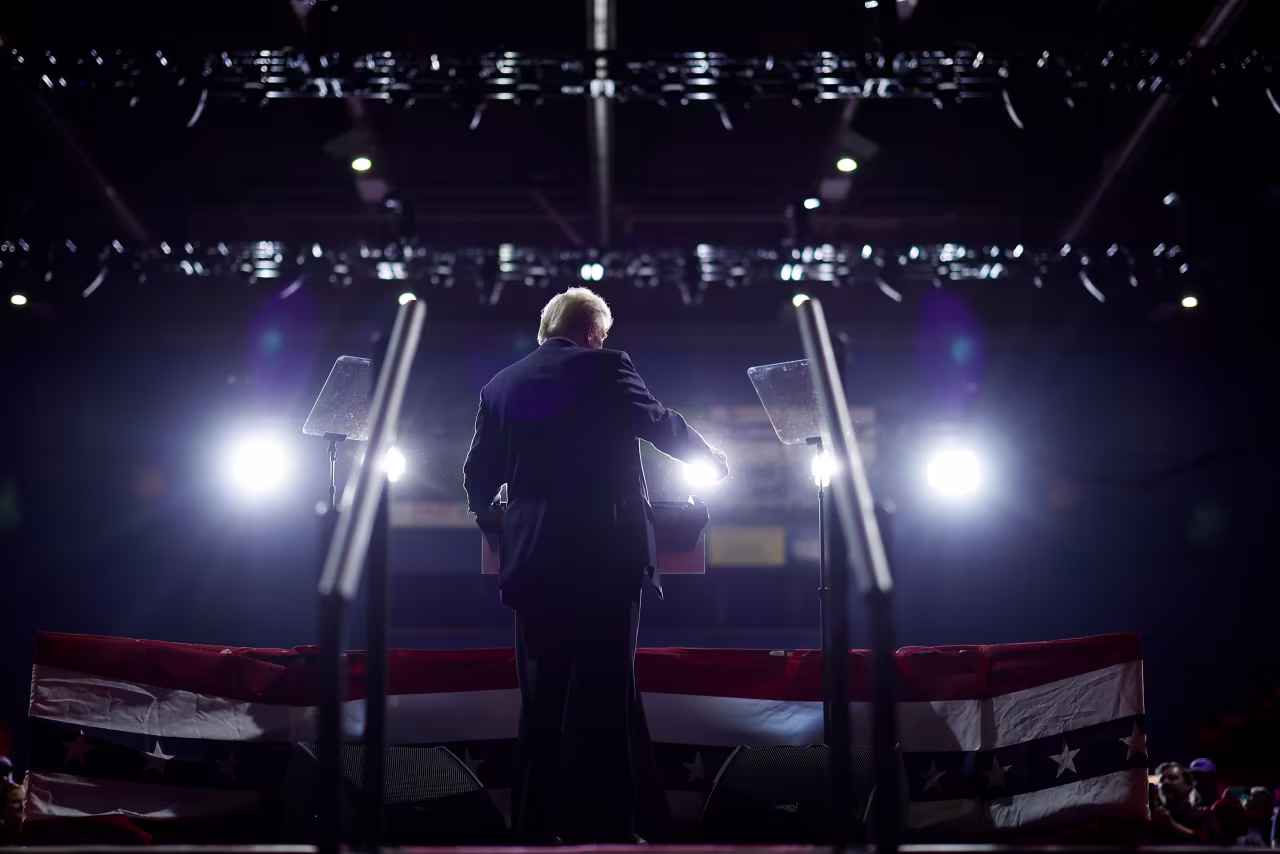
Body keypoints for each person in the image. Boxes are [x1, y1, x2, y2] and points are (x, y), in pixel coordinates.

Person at [463, 287, 728, 844]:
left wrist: (499, 512)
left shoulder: (499, 386)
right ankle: (609, 834)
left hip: (534, 567)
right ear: (594, 333)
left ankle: (532, 832)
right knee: (607, 701)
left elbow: (478, 479)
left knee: (540, 706)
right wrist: (710, 458)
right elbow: (659, 422)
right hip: (605, 564)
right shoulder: (606, 368)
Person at [1152, 761, 1219, 843]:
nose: (1165, 783)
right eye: (1161, 780)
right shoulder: (1151, 816)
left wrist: (1173, 826)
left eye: (1173, 778)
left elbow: (1211, 844)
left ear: (1188, 785)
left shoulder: (1205, 815)